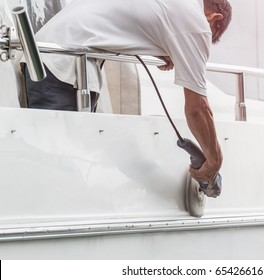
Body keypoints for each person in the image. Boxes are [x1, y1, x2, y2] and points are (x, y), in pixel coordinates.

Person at [23, 0, 232, 196]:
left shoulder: (175, 5)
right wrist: (214, 161)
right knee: (55, 160)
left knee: (76, 152)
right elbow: (197, 109)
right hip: (60, 63)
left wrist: (158, 47)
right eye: (211, 35)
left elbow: (124, 19)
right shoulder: (197, 22)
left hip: (54, 54)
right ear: (215, 18)